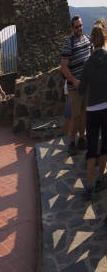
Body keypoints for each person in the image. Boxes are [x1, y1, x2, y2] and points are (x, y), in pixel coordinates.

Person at [78, 25, 107, 199]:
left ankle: (88, 186)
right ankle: (100, 179)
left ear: (92, 42)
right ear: (104, 39)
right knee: (105, 146)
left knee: (91, 148)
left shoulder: (88, 63)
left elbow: (81, 90)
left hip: (92, 110)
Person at [61, 16, 92, 156]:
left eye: (81, 25)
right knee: (75, 116)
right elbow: (63, 67)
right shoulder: (69, 43)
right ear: (72, 28)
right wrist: (74, 81)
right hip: (75, 87)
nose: (79, 28)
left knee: (84, 113)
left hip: (86, 85)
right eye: (76, 26)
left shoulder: (87, 38)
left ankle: (82, 138)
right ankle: (72, 143)